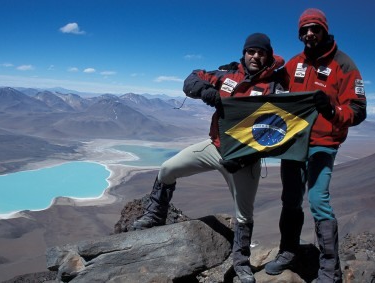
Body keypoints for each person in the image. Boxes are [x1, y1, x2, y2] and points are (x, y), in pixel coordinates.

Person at [131, 32, 287, 283]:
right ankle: (155, 214)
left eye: (261, 52)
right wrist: (205, 91)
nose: (255, 56)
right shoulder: (228, 75)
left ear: (268, 56)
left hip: (244, 160)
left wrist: (248, 156)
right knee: (168, 168)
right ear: (244, 53)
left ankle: (241, 263)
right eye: (251, 51)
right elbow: (192, 77)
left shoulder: (275, 86)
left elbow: (279, 129)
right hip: (215, 147)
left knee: (244, 215)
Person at [264, 8, 367, 282]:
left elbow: (358, 110)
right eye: (304, 29)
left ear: (324, 30)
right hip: (294, 143)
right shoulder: (294, 63)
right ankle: (288, 252)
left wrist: (332, 111)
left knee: (318, 200)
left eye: (315, 28)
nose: (309, 33)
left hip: (323, 144)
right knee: (290, 199)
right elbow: (271, 76)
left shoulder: (344, 65)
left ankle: (329, 271)